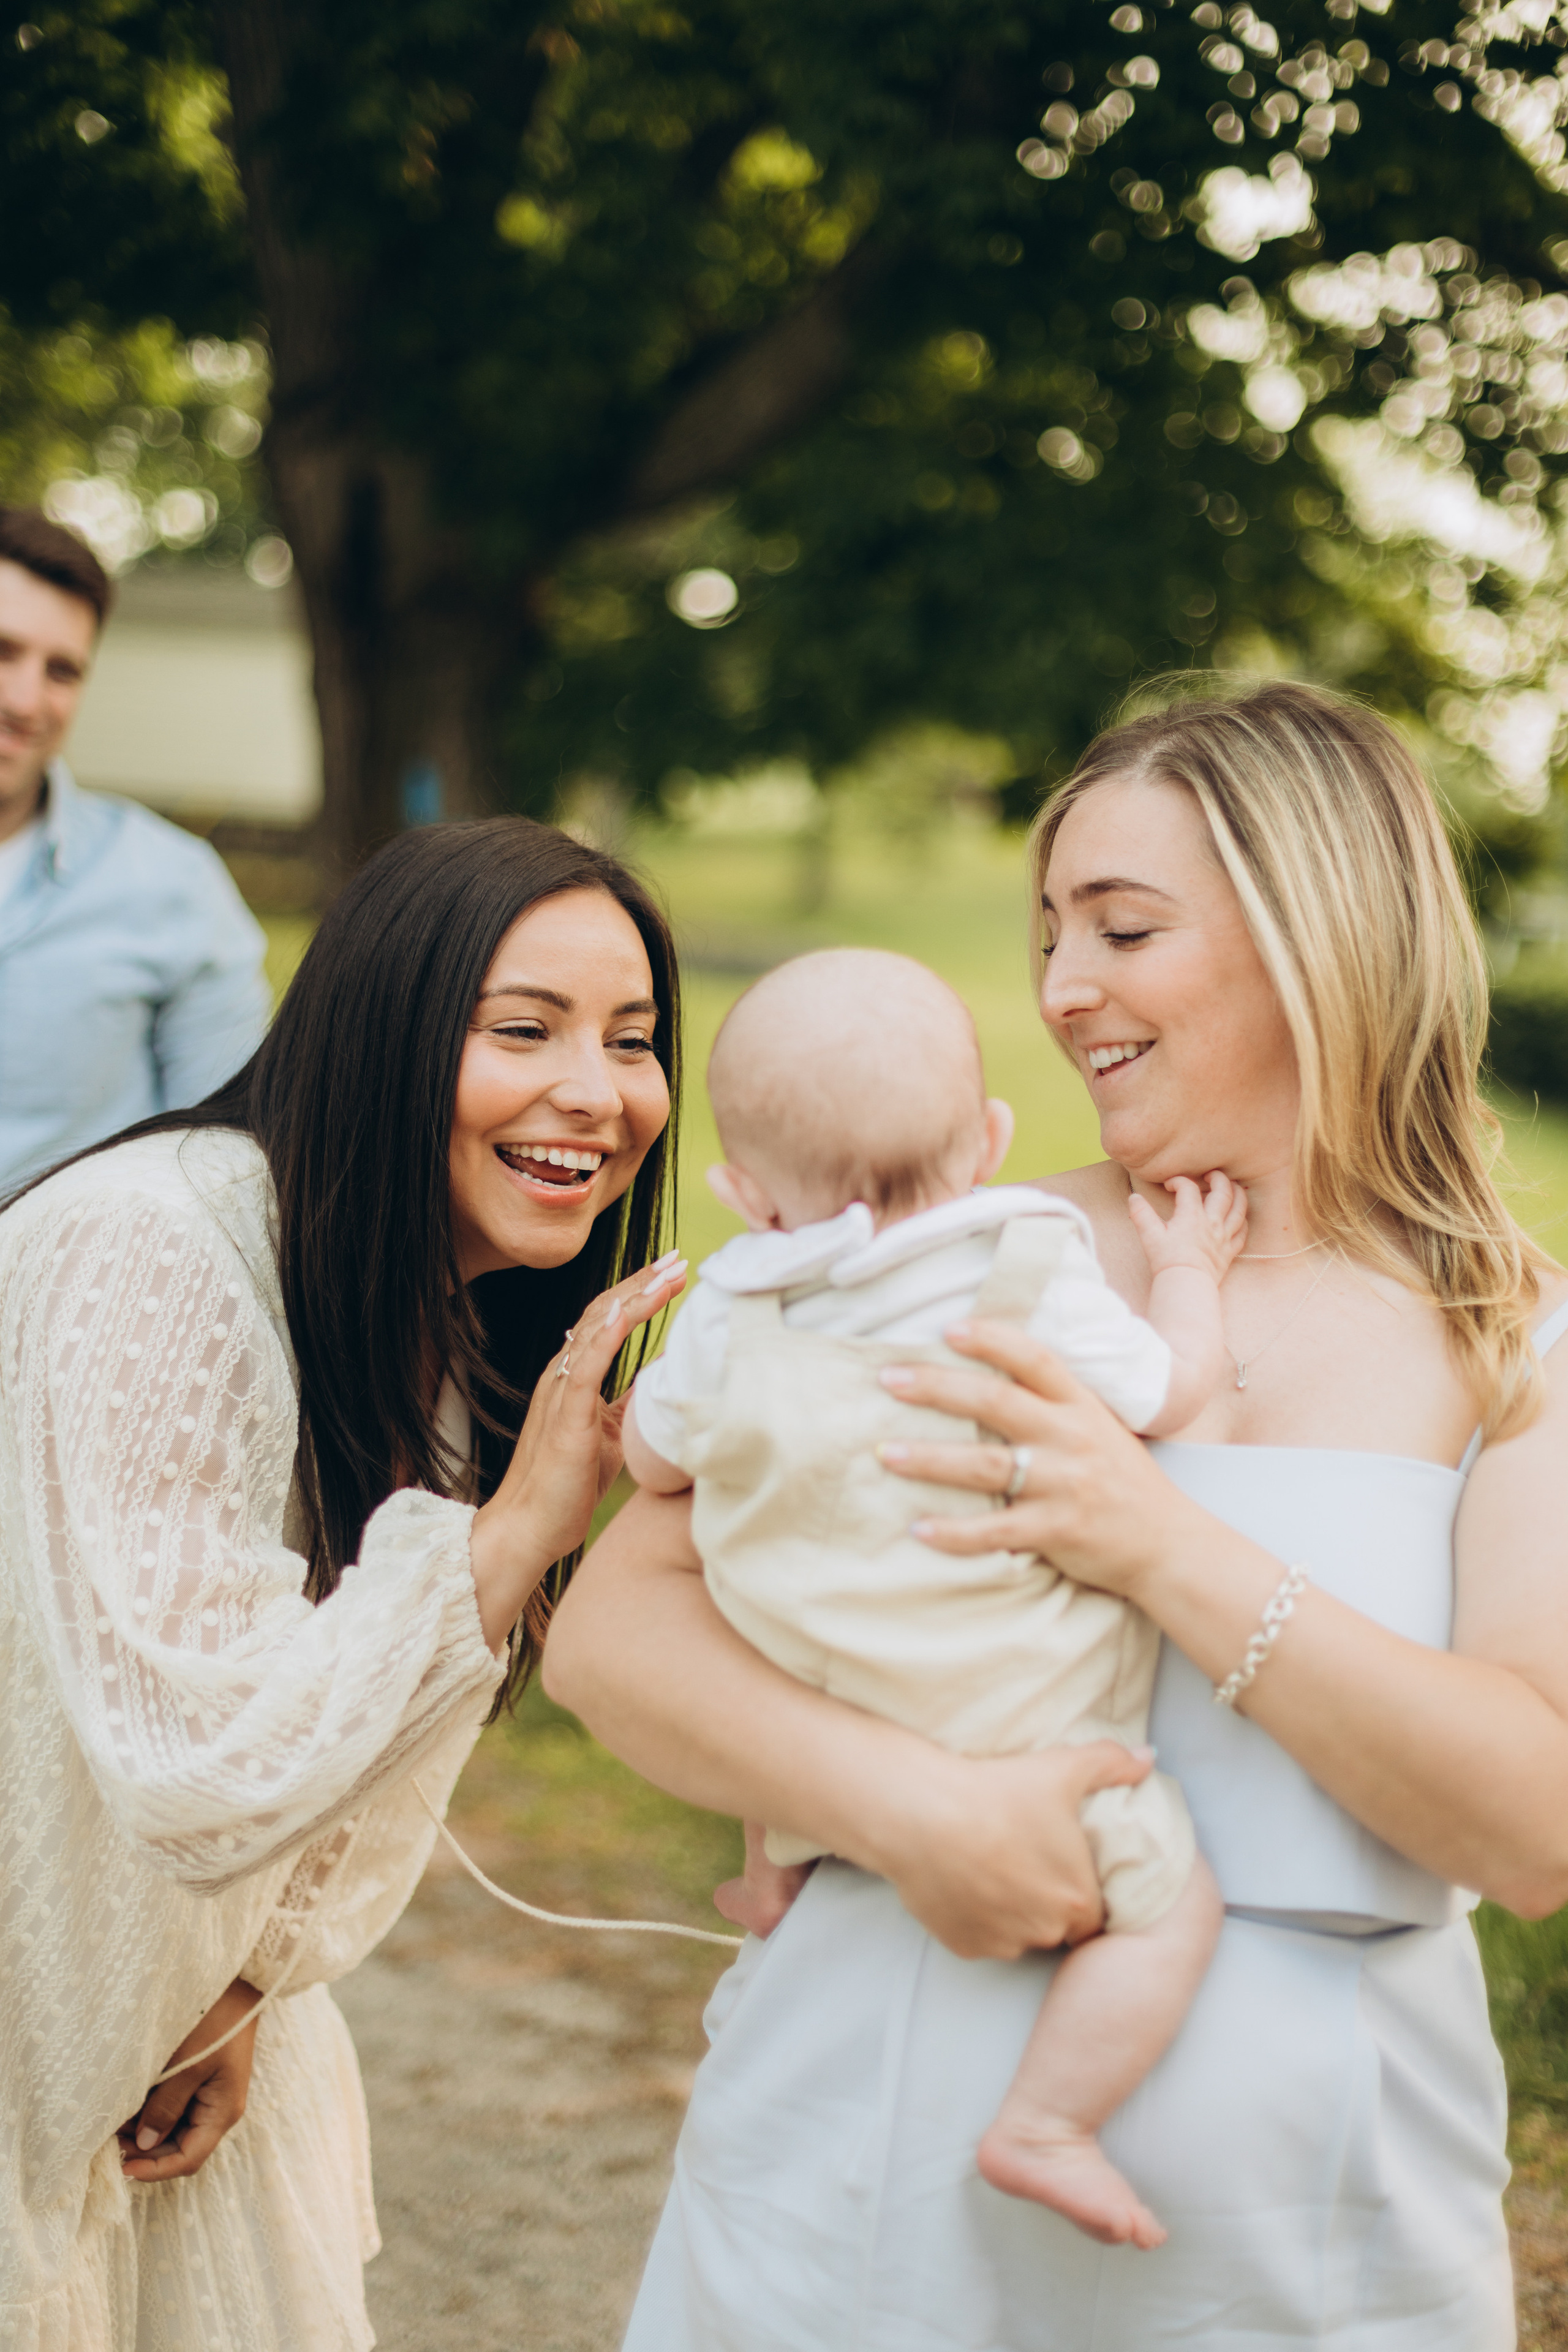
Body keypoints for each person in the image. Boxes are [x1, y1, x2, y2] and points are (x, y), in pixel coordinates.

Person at [545, 676, 1568, 2351]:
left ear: (1318, 940)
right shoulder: (957, 1256)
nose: (1062, 986)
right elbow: (612, 1634)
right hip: (860, 2181)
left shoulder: (1514, 1340)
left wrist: (1158, 1542)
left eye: (1124, 928)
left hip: (1312, 2247)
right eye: (1049, 929)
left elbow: (1533, 1825)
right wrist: (913, 1812)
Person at [0, 816, 687, 2351]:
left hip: (157, 2035)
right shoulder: (150, 1249)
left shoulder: (419, 1309)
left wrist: (246, 1982)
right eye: (525, 1028)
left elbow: (353, 1744)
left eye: (633, 1040)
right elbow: (199, 1758)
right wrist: (507, 1540)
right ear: (385, 1031)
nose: (597, 1089)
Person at [621, 945, 1243, 2246]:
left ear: (741, 1191)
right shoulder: (1026, 1268)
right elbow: (1168, 1396)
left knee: (781, 1636)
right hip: (1011, 1718)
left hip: (816, 1702)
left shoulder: (736, 1310)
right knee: (1169, 1908)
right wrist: (1188, 1275)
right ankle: (1045, 2123)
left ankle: (773, 1866)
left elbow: (650, 1458)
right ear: (992, 1140)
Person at [0, 508, 270, 1196]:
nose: (26, 699)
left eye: (62, 671)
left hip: (64, 1294)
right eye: (3, 651)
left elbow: (227, 1166)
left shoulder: (175, 888)